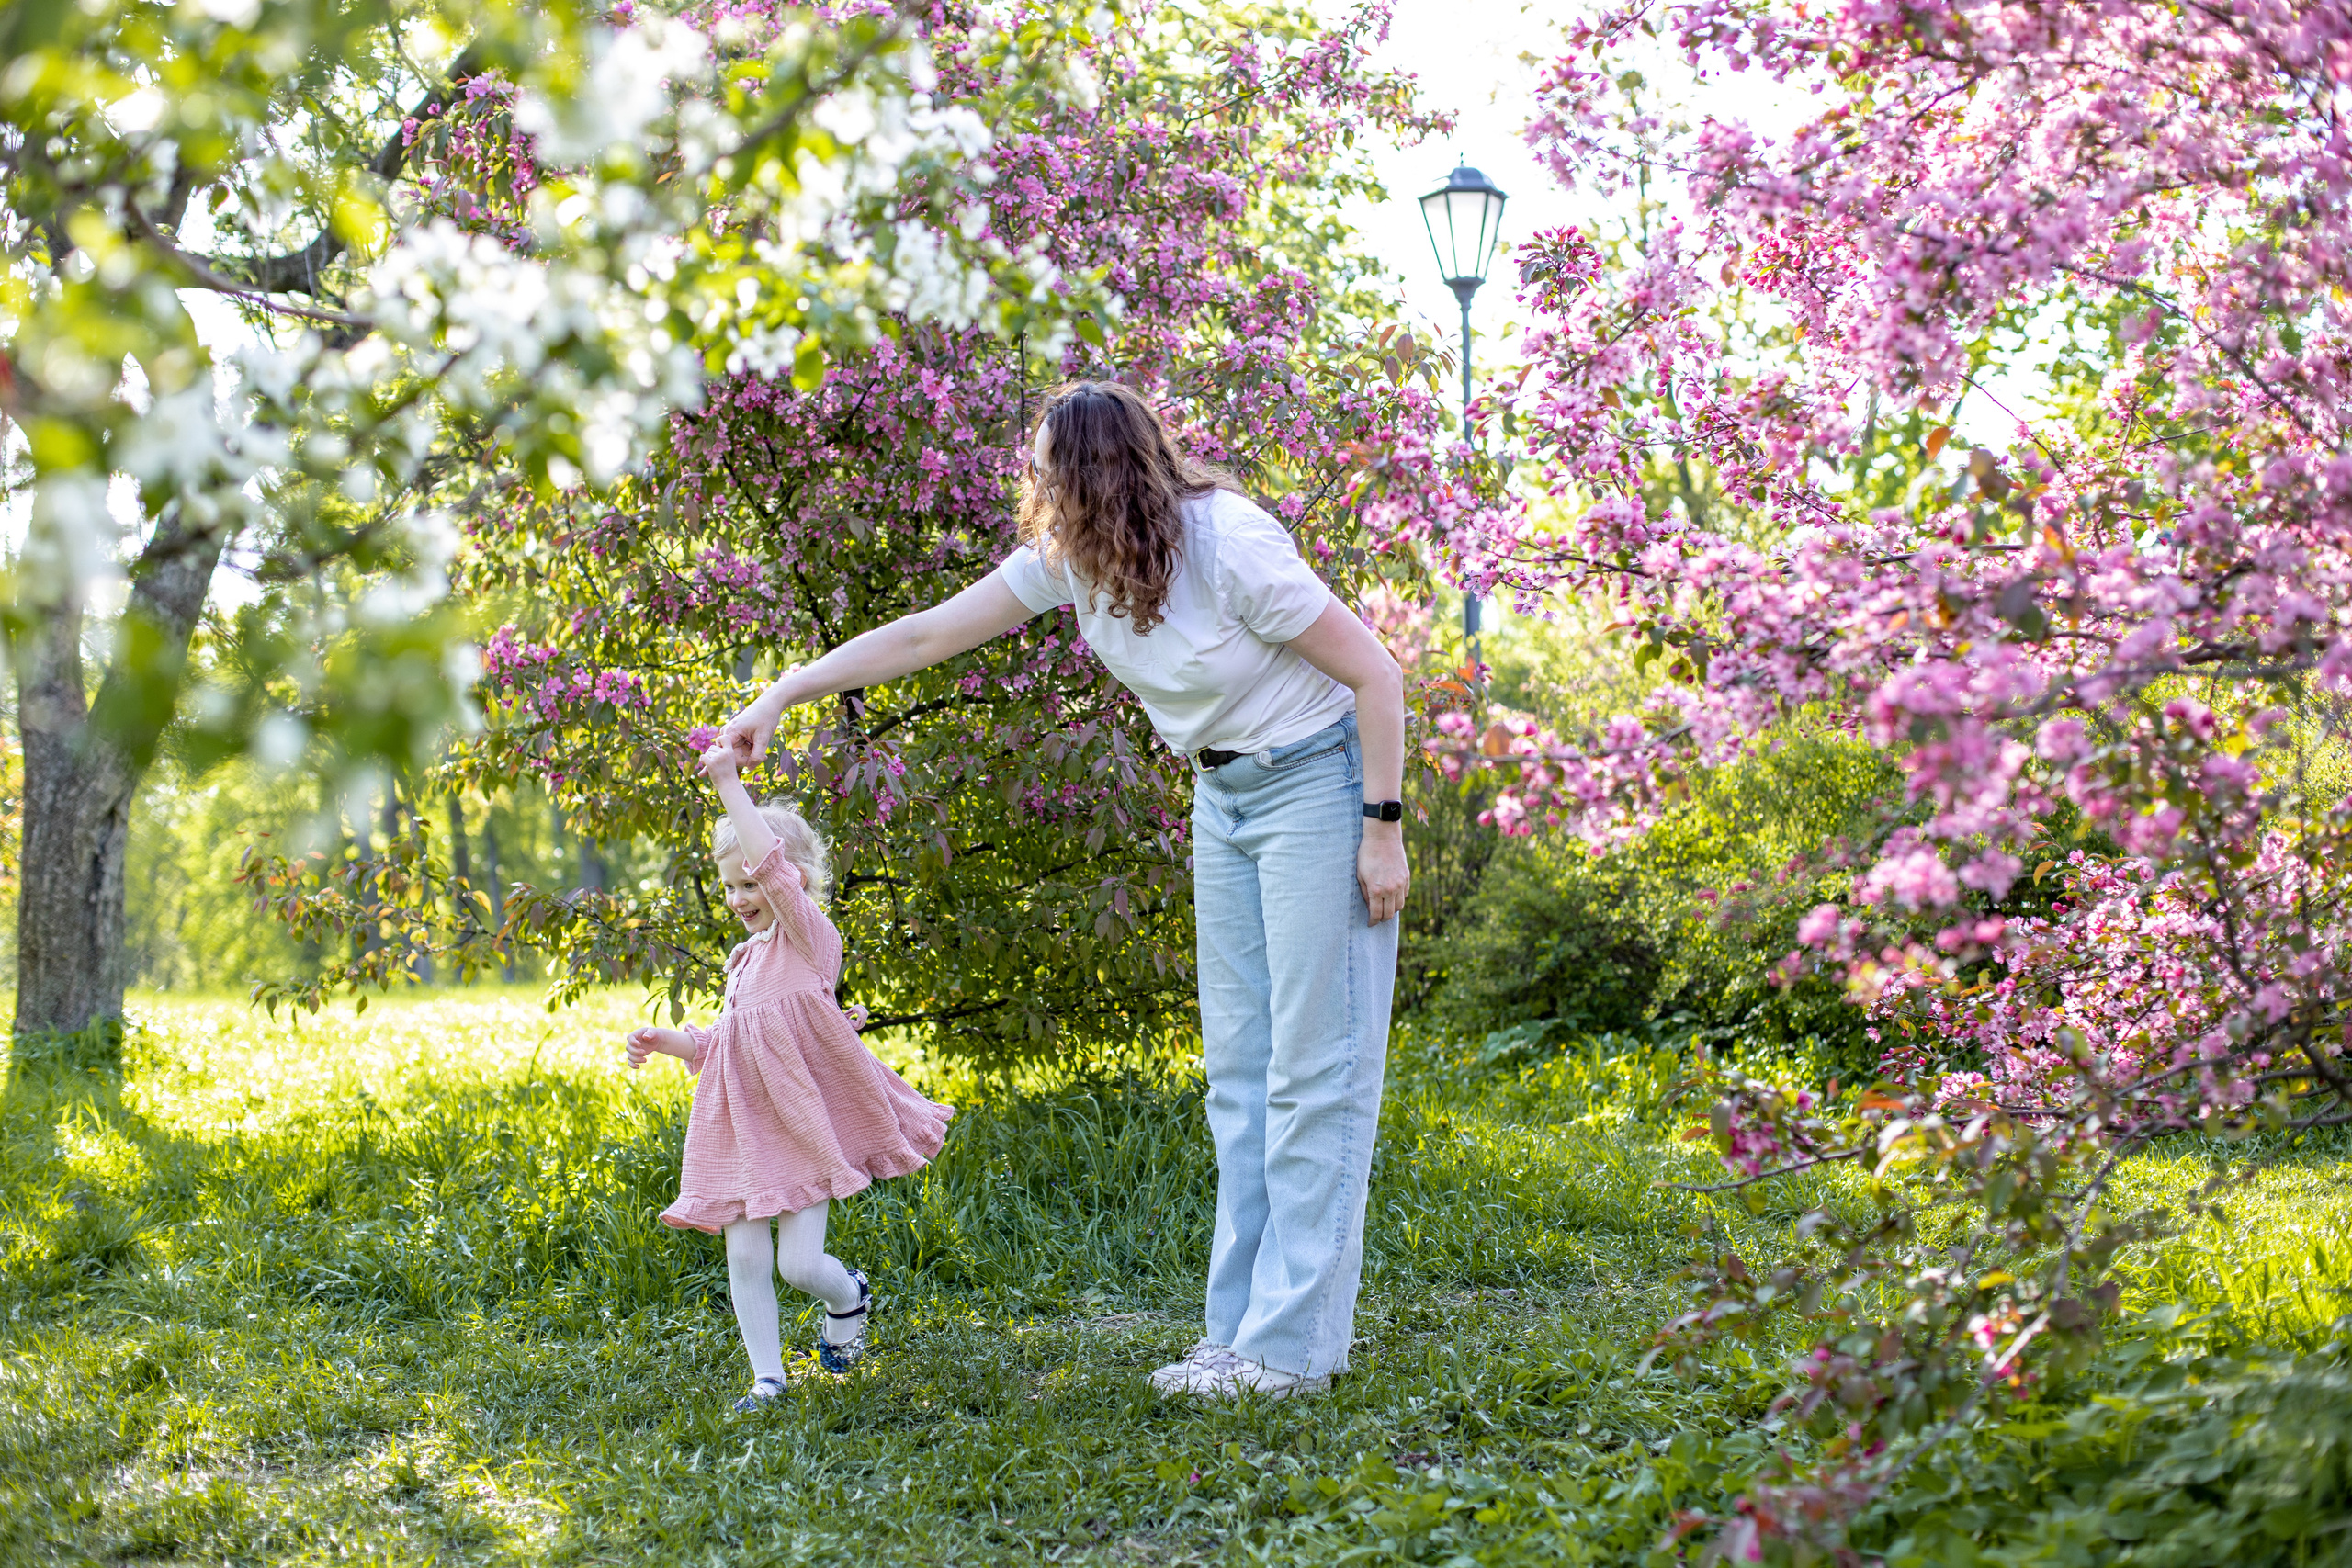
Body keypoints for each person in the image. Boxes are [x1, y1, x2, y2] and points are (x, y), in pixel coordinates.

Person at [718, 379, 1408, 1401]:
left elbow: (1377, 674)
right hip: (1220, 798)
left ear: (1094, 475)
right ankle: (1239, 1337)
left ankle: (1290, 1351)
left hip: (1320, 780)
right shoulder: (1071, 564)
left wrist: (1381, 831)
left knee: (1313, 1074)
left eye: (1045, 466)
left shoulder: (1229, 544)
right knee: (1240, 1077)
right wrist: (781, 693)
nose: (1030, 484)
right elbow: (922, 636)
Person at [625, 743, 955, 1410]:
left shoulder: (811, 938)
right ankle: (768, 1379)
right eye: (731, 885)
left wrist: (726, 780)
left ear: (793, 879)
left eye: (752, 882)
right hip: (743, 1129)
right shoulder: (743, 960)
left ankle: (850, 1294)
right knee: (744, 1257)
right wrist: (672, 1041)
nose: (741, 896)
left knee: (798, 1265)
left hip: (802, 1125)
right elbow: (727, 1038)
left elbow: (771, 870)